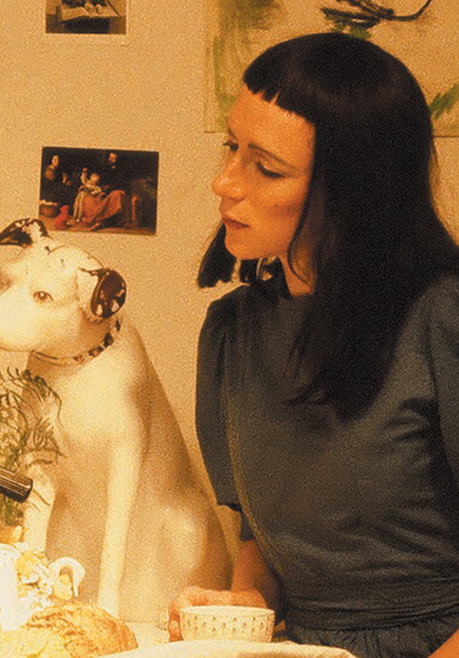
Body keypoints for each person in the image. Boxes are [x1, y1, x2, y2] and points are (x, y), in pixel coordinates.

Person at [169, 32, 459, 658]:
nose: (224, 182)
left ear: (354, 191)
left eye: (266, 167)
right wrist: (245, 605)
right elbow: (264, 543)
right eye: (231, 148)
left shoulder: (442, 317)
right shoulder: (233, 332)